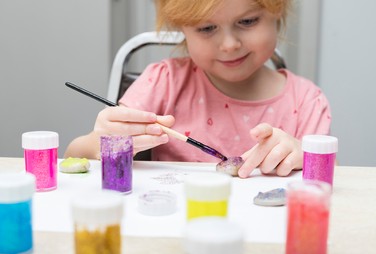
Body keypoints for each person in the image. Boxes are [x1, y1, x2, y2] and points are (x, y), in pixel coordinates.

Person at [65, 0, 331, 178]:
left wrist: (306, 157)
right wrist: (97, 145)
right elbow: (73, 157)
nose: (229, 44)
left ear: (278, 10)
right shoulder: (163, 83)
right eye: (206, 28)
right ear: (182, 28)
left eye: (247, 22)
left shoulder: (306, 101)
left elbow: (333, 184)